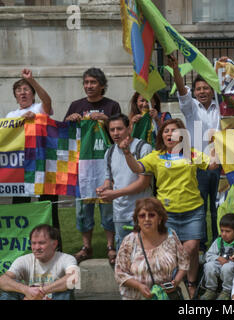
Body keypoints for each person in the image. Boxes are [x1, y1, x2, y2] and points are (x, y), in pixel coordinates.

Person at [119, 118, 219, 298]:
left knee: (191, 248)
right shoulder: (156, 156)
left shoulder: (191, 154)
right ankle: (174, 284)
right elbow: (137, 168)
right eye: (166, 131)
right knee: (175, 251)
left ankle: (191, 283)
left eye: (174, 131)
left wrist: (216, 147)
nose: (169, 134)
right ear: (161, 135)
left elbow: (211, 164)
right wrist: (127, 153)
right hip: (167, 213)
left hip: (193, 210)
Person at [64, 67, 121, 265]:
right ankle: (86, 247)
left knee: (107, 207)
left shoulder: (112, 106)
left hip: (106, 163)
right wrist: (70, 121)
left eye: (93, 82)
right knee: (82, 209)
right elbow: (66, 137)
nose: (89, 86)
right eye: (86, 82)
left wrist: (106, 120)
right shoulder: (75, 105)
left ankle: (110, 246)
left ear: (102, 85)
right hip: (83, 167)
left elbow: (119, 132)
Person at [168, 54, 221, 253]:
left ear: (211, 89)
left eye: (206, 87)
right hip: (198, 166)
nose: (202, 91)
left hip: (220, 165)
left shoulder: (220, 107)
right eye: (198, 89)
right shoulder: (191, 108)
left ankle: (218, 242)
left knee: (218, 208)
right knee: (198, 208)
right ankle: (200, 244)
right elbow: (182, 91)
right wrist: (175, 71)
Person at [7, 69, 60, 248]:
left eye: (27, 89)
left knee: (49, 207)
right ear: (15, 96)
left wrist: (32, 80)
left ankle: (55, 247)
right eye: (19, 90)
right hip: (21, 170)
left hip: (44, 167)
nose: (23, 92)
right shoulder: (10, 116)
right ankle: (22, 248)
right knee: (21, 209)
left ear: (33, 94)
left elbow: (48, 101)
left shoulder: (39, 108)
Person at [96, 113, 153, 253]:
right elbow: (109, 179)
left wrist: (114, 194)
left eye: (119, 129)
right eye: (112, 130)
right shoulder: (109, 152)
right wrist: (104, 188)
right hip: (120, 213)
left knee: (144, 255)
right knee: (125, 256)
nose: (115, 133)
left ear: (129, 128)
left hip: (142, 212)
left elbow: (143, 183)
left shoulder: (143, 148)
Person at [114, 197, 189, 300]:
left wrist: (176, 282)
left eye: (152, 215)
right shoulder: (129, 241)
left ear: (160, 219)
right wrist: (139, 286)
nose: (147, 219)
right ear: (137, 220)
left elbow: (184, 262)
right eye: (142, 216)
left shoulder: (171, 236)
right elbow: (120, 273)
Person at [0, 224, 78, 300]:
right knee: (9, 287)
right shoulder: (23, 260)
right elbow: (2, 280)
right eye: (33, 243)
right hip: (29, 297)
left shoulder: (66, 258)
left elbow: (73, 277)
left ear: (54, 244)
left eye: (41, 243)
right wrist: (26, 290)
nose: (36, 247)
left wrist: (41, 291)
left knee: (67, 289)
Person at [200, 213, 234, 300]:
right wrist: (217, 258)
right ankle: (210, 289)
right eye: (222, 230)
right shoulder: (219, 241)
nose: (224, 234)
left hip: (233, 267)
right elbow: (208, 255)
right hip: (219, 264)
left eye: (228, 231)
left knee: (227, 267)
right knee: (209, 265)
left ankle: (226, 292)